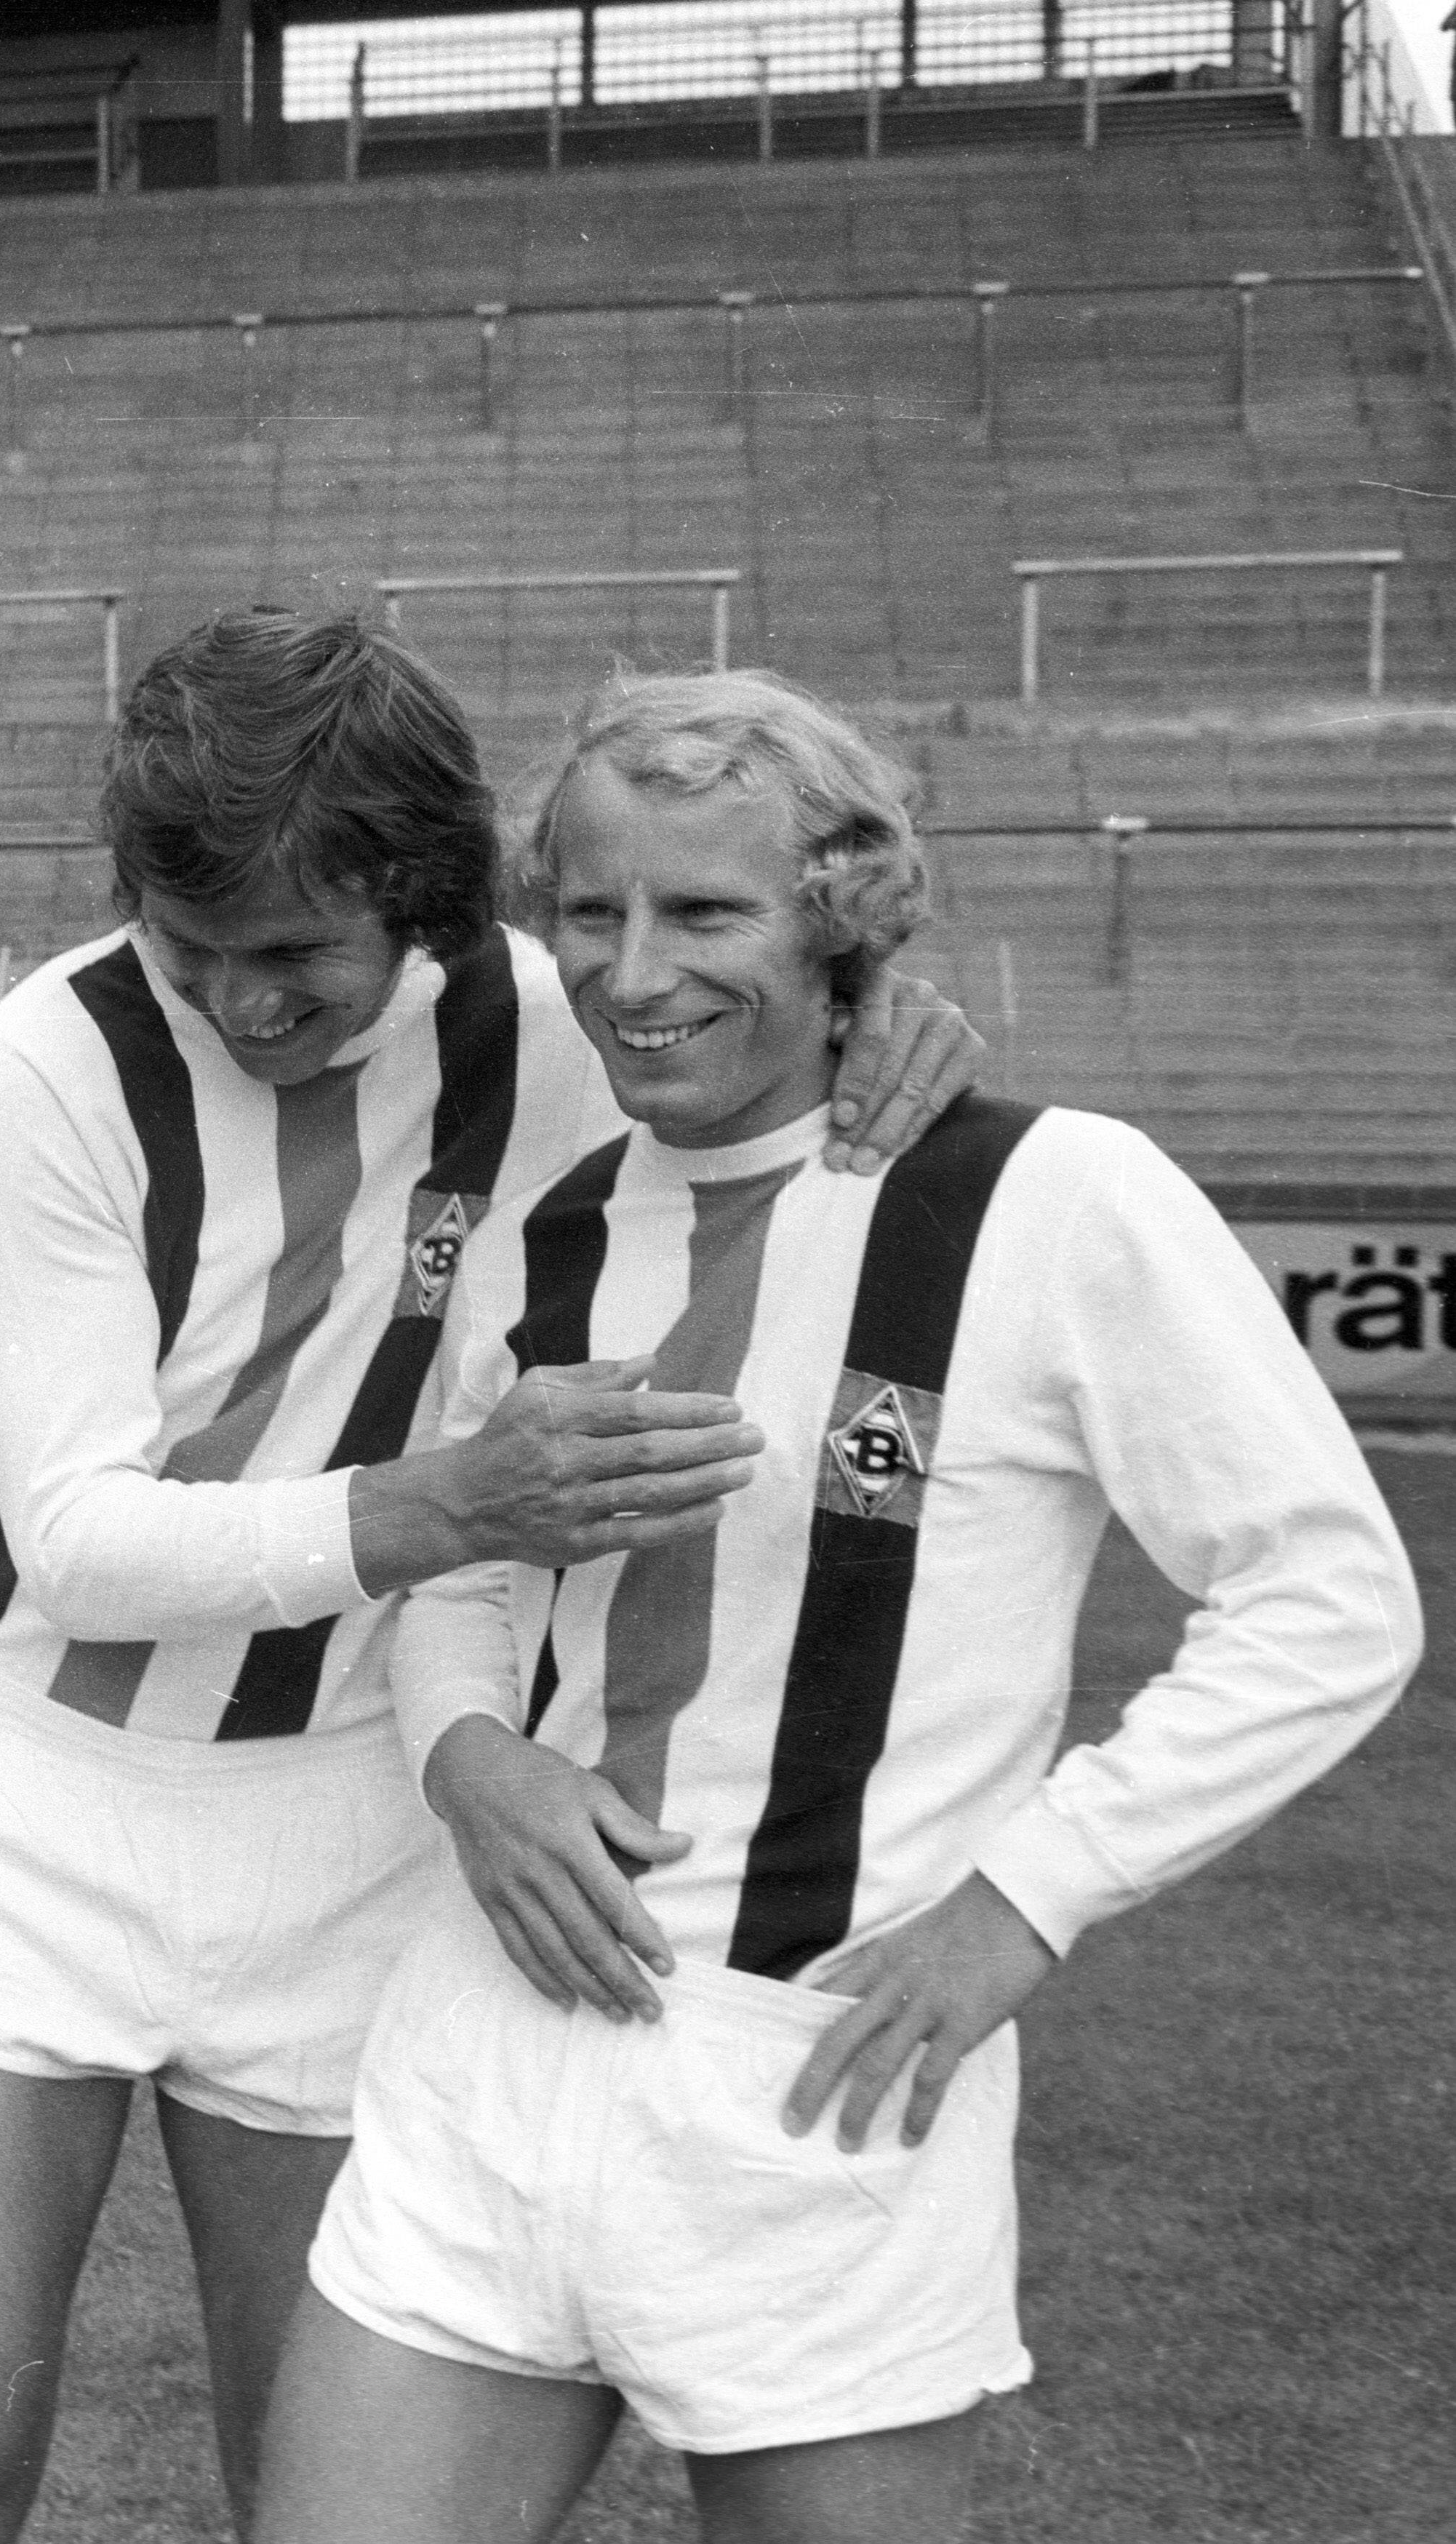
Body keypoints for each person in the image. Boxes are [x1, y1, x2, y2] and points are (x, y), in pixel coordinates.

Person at [0, 610, 989, 2544]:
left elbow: (770, 1047)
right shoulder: (43, 1056)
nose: (239, 999)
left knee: (306, 2476)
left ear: (431, 897)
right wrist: (453, 1502)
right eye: (188, 947)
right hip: (15, 1798)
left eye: (294, 953)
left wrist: (880, 1018)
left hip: (357, 1822)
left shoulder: (553, 1022)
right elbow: (80, 1543)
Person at [254, 669, 1419, 2544]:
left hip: (823, 2080)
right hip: (492, 2042)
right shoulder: (548, 1228)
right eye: (588, 912)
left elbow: (1326, 1597)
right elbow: (470, 1551)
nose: (632, 971)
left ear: (838, 916)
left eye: (703, 911)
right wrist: (468, 1748)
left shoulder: (1047, 1196)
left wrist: (1024, 1899)